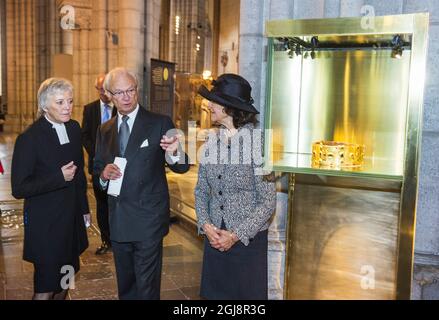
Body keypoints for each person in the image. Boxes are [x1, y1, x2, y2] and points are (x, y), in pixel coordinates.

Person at [93, 67, 190, 300]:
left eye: (131, 90)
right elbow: (97, 168)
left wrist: (176, 153)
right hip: (118, 219)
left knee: (147, 288)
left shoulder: (159, 122)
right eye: (119, 92)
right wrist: (103, 175)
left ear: (137, 91)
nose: (126, 97)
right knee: (126, 287)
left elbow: (182, 166)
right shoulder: (104, 129)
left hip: (148, 219)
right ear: (109, 95)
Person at [195, 73, 277, 300]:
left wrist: (235, 235)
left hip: (246, 244)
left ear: (229, 108)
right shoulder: (211, 142)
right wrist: (206, 225)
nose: (209, 105)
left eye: (214, 101)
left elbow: (268, 201)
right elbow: (201, 190)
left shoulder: (259, 145)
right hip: (215, 240)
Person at [11, 78, 90, 300]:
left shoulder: (74, 128)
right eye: (60, 102)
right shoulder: (29, 138)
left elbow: (80, 175)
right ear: (45, 106)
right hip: (46, 225)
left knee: (67, 278)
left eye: (70, 101)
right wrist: (58, 178)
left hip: (71, 221)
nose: (67, 107)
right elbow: (19, 188)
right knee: (45, 286)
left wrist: (84, 210)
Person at [82, 74, 117, 255]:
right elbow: (85, 135)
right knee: (102, 205)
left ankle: (118, 238)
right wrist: (97, 154)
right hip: (97, 166)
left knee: (117, 204)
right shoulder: (90, 109)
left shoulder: (119, 108)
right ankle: (106, 241)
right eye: (100, 89)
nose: (103, 92)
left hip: (117, 166)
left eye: (106, 89)